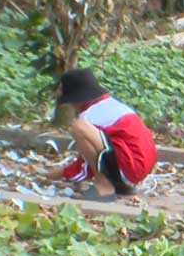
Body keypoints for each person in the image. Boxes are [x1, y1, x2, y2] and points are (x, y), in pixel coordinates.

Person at [47, 69, 157, 202]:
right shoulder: (111, 106)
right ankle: (118, 183)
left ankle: (105, 188)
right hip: (142, 164)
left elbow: (88, 162)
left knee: (79, 127)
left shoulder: (89, 117)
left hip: (132, 167)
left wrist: (58, 174)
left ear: (76, 100)